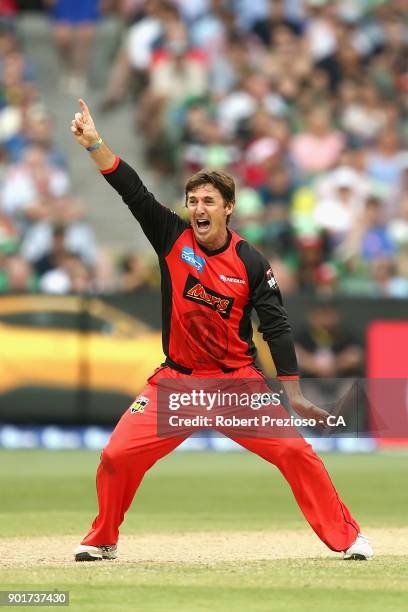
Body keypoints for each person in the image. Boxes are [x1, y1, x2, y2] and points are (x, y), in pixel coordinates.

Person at [70, 99, 373, 562]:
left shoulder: (250, 261)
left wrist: (291, 391)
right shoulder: (173, 237)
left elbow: (277, 326)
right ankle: (103, 538)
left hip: (235, 384)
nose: (198, 208)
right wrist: (95, 144)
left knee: (296, 454)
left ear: (229, 208)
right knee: (116, 457)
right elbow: (133, 192)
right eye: (193, 201)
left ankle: (349, 538)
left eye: (208, 201)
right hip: (178, 383)